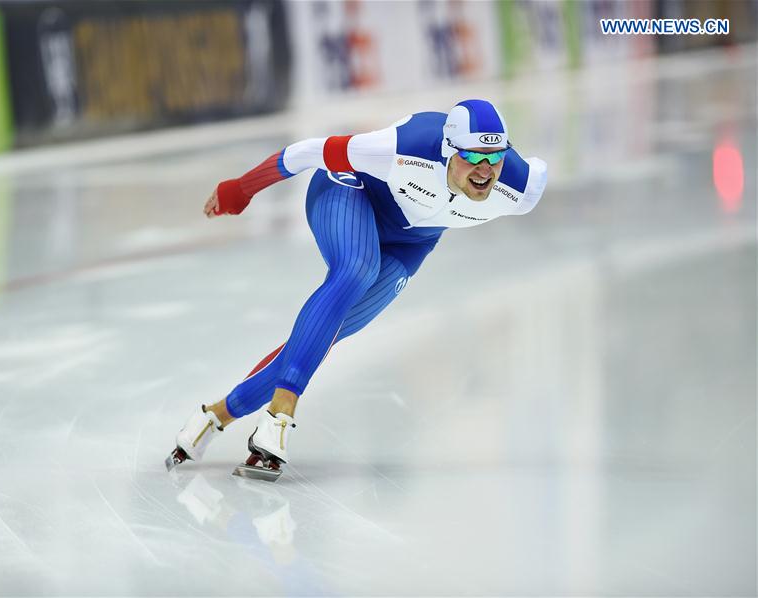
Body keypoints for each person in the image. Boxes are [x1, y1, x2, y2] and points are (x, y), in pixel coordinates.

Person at [165, 99, 547, 481]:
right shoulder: (402, 148)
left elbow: (533, 169)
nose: (485, 170)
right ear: (448, 149)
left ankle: (214, 416)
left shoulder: (521, 188)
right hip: (349, 192)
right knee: (357, 269)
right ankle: (281, 413)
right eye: (472, 156)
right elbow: (305, 152)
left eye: (495, 156)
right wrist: (240, 190)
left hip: (411, 243)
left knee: (329, 332)